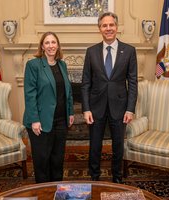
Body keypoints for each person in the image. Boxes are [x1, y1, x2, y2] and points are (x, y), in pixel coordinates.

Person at [81, 12, 138, 183]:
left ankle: (117, 178)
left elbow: (133, 82)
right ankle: (94, 176)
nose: (108, 28)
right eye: (104, 25)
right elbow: (85, 83)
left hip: (120, 107)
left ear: (116, 27)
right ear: (99, 29)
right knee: (95, 145)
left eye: (111, 25)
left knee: (118, 146)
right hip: (96, 107)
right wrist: (86, 109)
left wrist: (130, 108)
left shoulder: (129, 51)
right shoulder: (91, 52)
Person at [23, 31, 74, 183]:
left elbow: (68, 91)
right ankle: (44, 191)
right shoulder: (33, 65)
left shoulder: (62, 65)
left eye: (53, 42)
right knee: (42, 161)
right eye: (47, 43)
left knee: (57, 160)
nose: (51, 46)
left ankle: (57, 190)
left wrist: (70, 112)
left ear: (58, 46)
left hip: (61, 121)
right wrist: (34, 120)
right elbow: (29, 94)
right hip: (40, 121)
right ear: (42, 46)